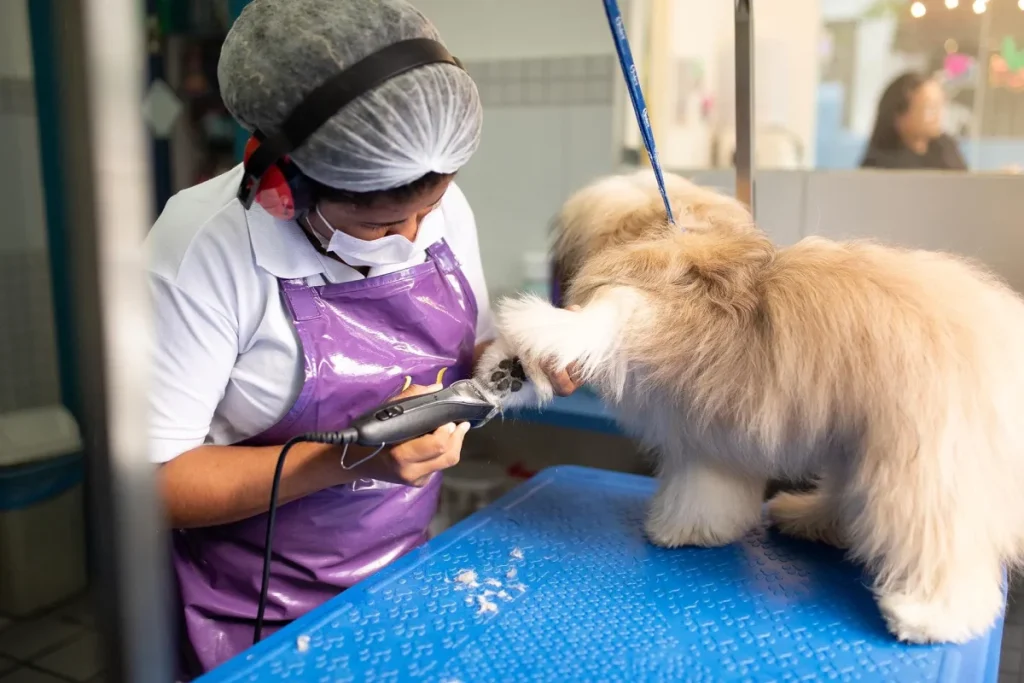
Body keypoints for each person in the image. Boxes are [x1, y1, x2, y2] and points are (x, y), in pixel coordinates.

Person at [145, 0, 579, 675]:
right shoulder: (202, 250)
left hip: (395, 581)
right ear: (282, 191)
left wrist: (525, 362)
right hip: (245, 615)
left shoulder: (433, 204)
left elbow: (475, 357)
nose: (411, 241)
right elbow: (154, 484)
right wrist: (354, 458)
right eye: (377, 227)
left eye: (425, 212)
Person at [861, 72, 967, 171]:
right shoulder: (880, 165)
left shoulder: (946, 148)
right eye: (930, 108)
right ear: (900, 116)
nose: (938, 115)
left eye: (940, 106)